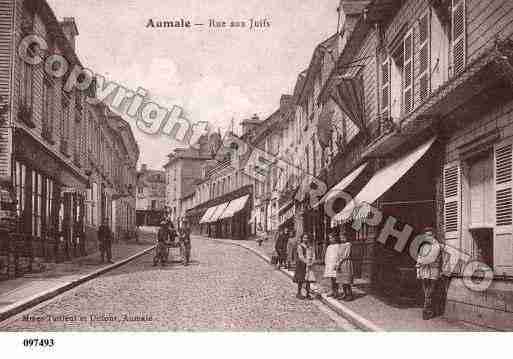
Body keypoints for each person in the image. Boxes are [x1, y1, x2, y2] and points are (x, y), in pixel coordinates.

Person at [416, 227, 442, 320]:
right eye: (426, 235)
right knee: (426, 291)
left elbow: (432, 258)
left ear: (433, 235)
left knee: (430, 291)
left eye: (430, 235)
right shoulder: (423, 246)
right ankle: (428, 310)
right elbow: (419, 259)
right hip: (424, 271)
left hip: (434, 271)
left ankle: (426, 309)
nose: (428, 237)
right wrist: (418, 272)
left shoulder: (437, 246)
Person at [293, 233, 316, 300]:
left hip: (309, 265)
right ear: (302, 239)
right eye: (304, 238)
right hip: (302, 264)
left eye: (307, 238)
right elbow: (300, 256)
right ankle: (299, 292)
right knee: (301, 279)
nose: (305, 239)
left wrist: (312, 262)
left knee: (308, 279)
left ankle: (308, 293)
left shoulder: (310, 247)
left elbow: (313, 254)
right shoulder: (300, 246)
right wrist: (306, 262)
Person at [324, 231, 342, 298]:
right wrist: (326, 263)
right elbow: (327, 255)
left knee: (335, 278)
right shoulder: (329, 247)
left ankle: (336, 291)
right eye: (329, 238)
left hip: (335, 264)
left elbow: (339, 255)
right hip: (329, 264)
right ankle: (332, 290)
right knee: (332, 278)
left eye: (331, 238)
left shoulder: (338, 246)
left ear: (335, 238)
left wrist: (337, 264)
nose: (330, 239)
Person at [338, 229, 354, 301]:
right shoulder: (341, 245)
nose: (342, 238)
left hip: (345, 263)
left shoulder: (348, 244)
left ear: (347, 237)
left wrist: (340, 262)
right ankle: (345, 294)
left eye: (343, 237)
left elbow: (346, 255)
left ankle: (350, 295)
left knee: (347, 280)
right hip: (340, 263)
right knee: (342, 280)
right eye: (341, 237)